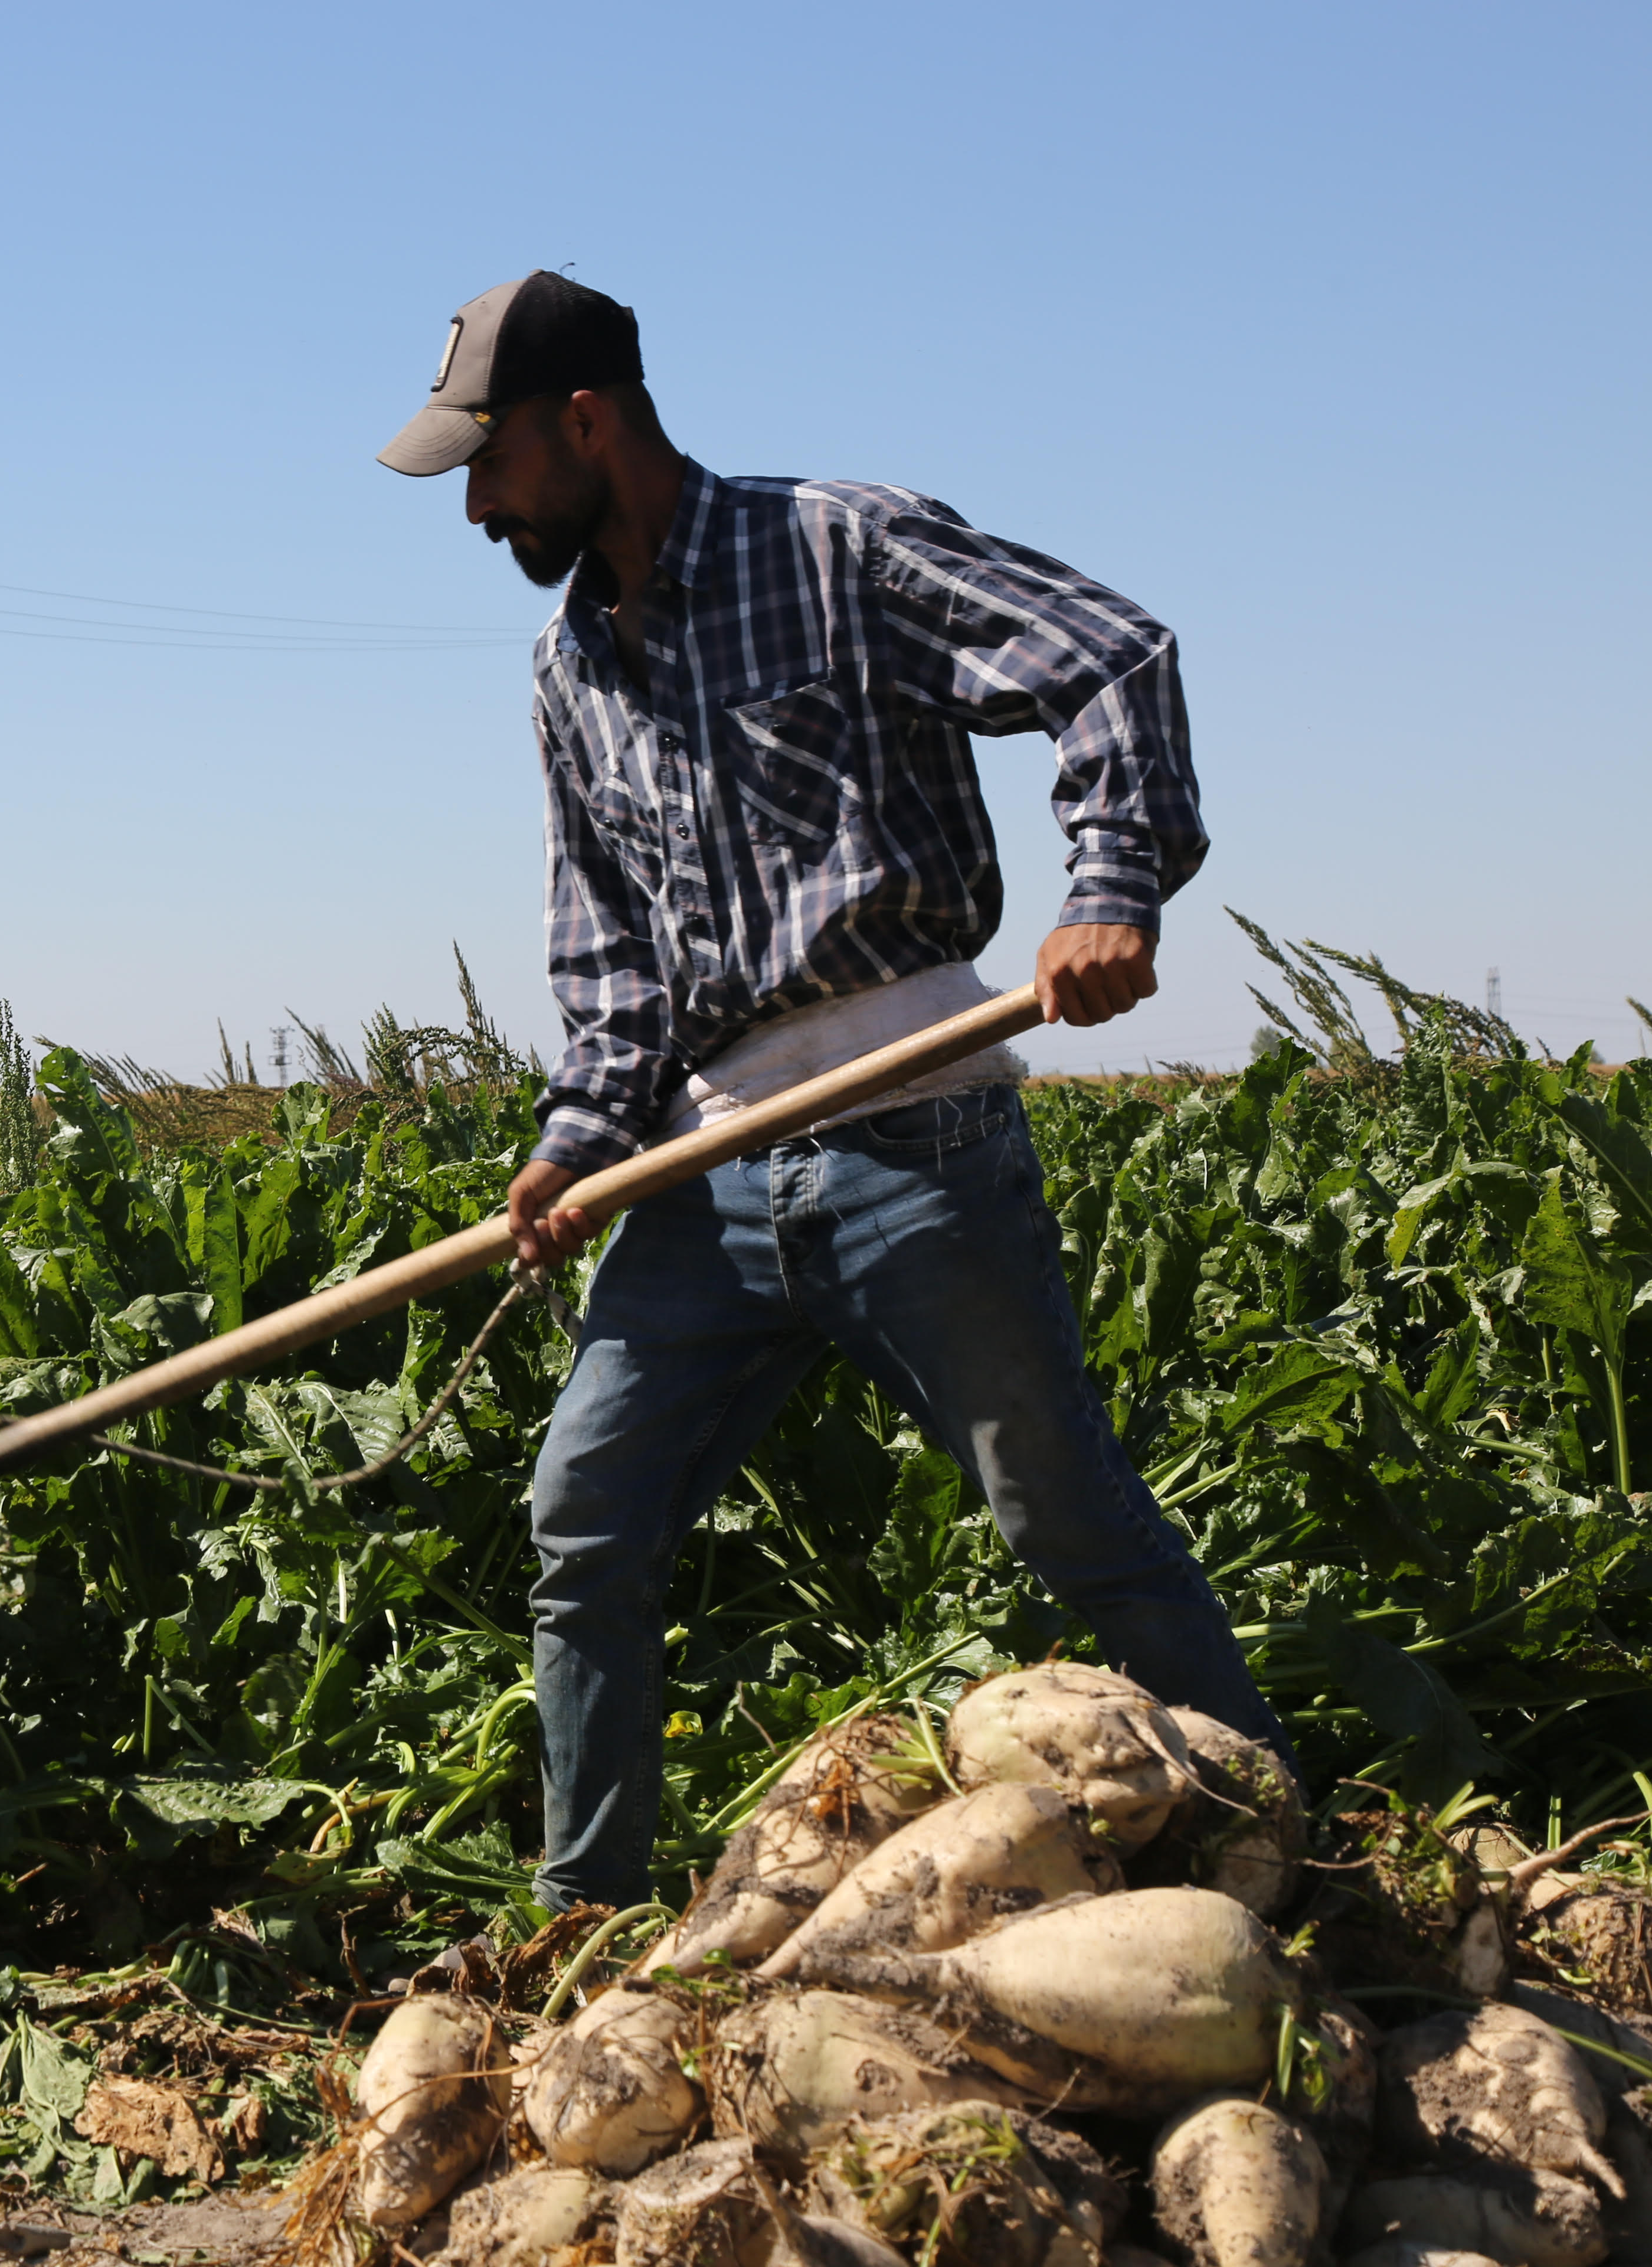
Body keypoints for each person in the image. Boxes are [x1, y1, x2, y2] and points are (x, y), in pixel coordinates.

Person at [376, 272, 1287, 1908]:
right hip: (704, 1168)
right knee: (586, 1522)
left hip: (913, 1126)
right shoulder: (565, 666)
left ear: (584, 420)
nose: (479, 504)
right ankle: (582, 1926)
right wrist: (579, 1138)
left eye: (489, 462)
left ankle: (1281, 1855)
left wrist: (1112, 887)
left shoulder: (836, 546)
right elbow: (611, 958)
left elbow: (1109, 659)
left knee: (1066, 1522)